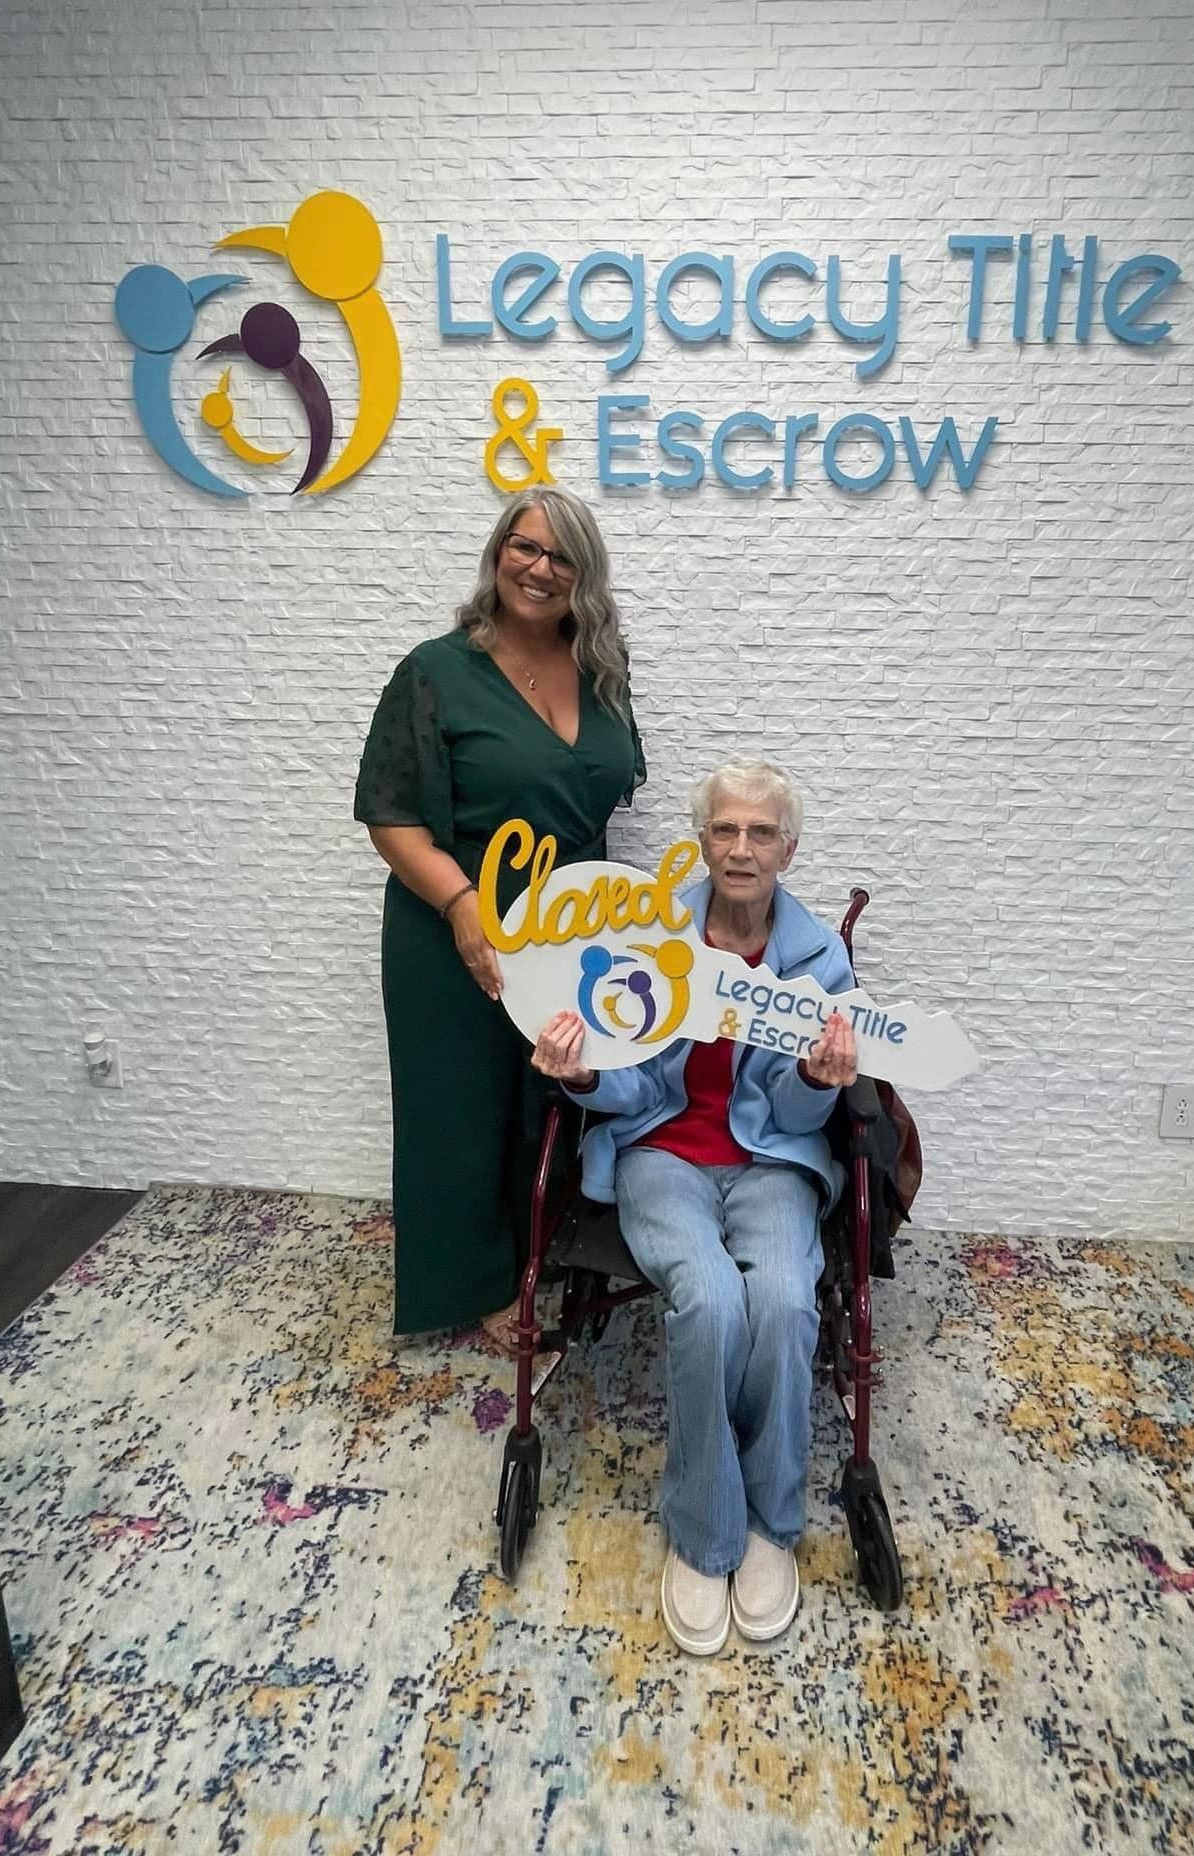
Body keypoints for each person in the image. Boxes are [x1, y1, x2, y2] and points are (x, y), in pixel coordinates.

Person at [531, 761, 857, 1655]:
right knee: (709, 1299)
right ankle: (705, 1530)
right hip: (663, 1153)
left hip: (771, 1160)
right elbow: (629, 1081)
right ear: (702, 840)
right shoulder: (651, 933)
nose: (741, 849)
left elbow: (798, 1119)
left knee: (786, 1300)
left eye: (760, 834)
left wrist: (813, 1080)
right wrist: (588, 1071)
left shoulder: (820, 958)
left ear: (788, 849)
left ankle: (770, 1525)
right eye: (725, 831)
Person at [354, 490, 644, 1347]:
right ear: (497, 553)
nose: (539, 569)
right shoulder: (436, 671)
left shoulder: (602, 667)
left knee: (544, 1094)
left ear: (583, 577)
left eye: (562, 557)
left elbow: (598, 797)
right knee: (463, 1105)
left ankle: (536, 1251)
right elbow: (389, 814)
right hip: (453, 923)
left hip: (564, 929)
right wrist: (460, 904)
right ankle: (481, 1287)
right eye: (524, 547)